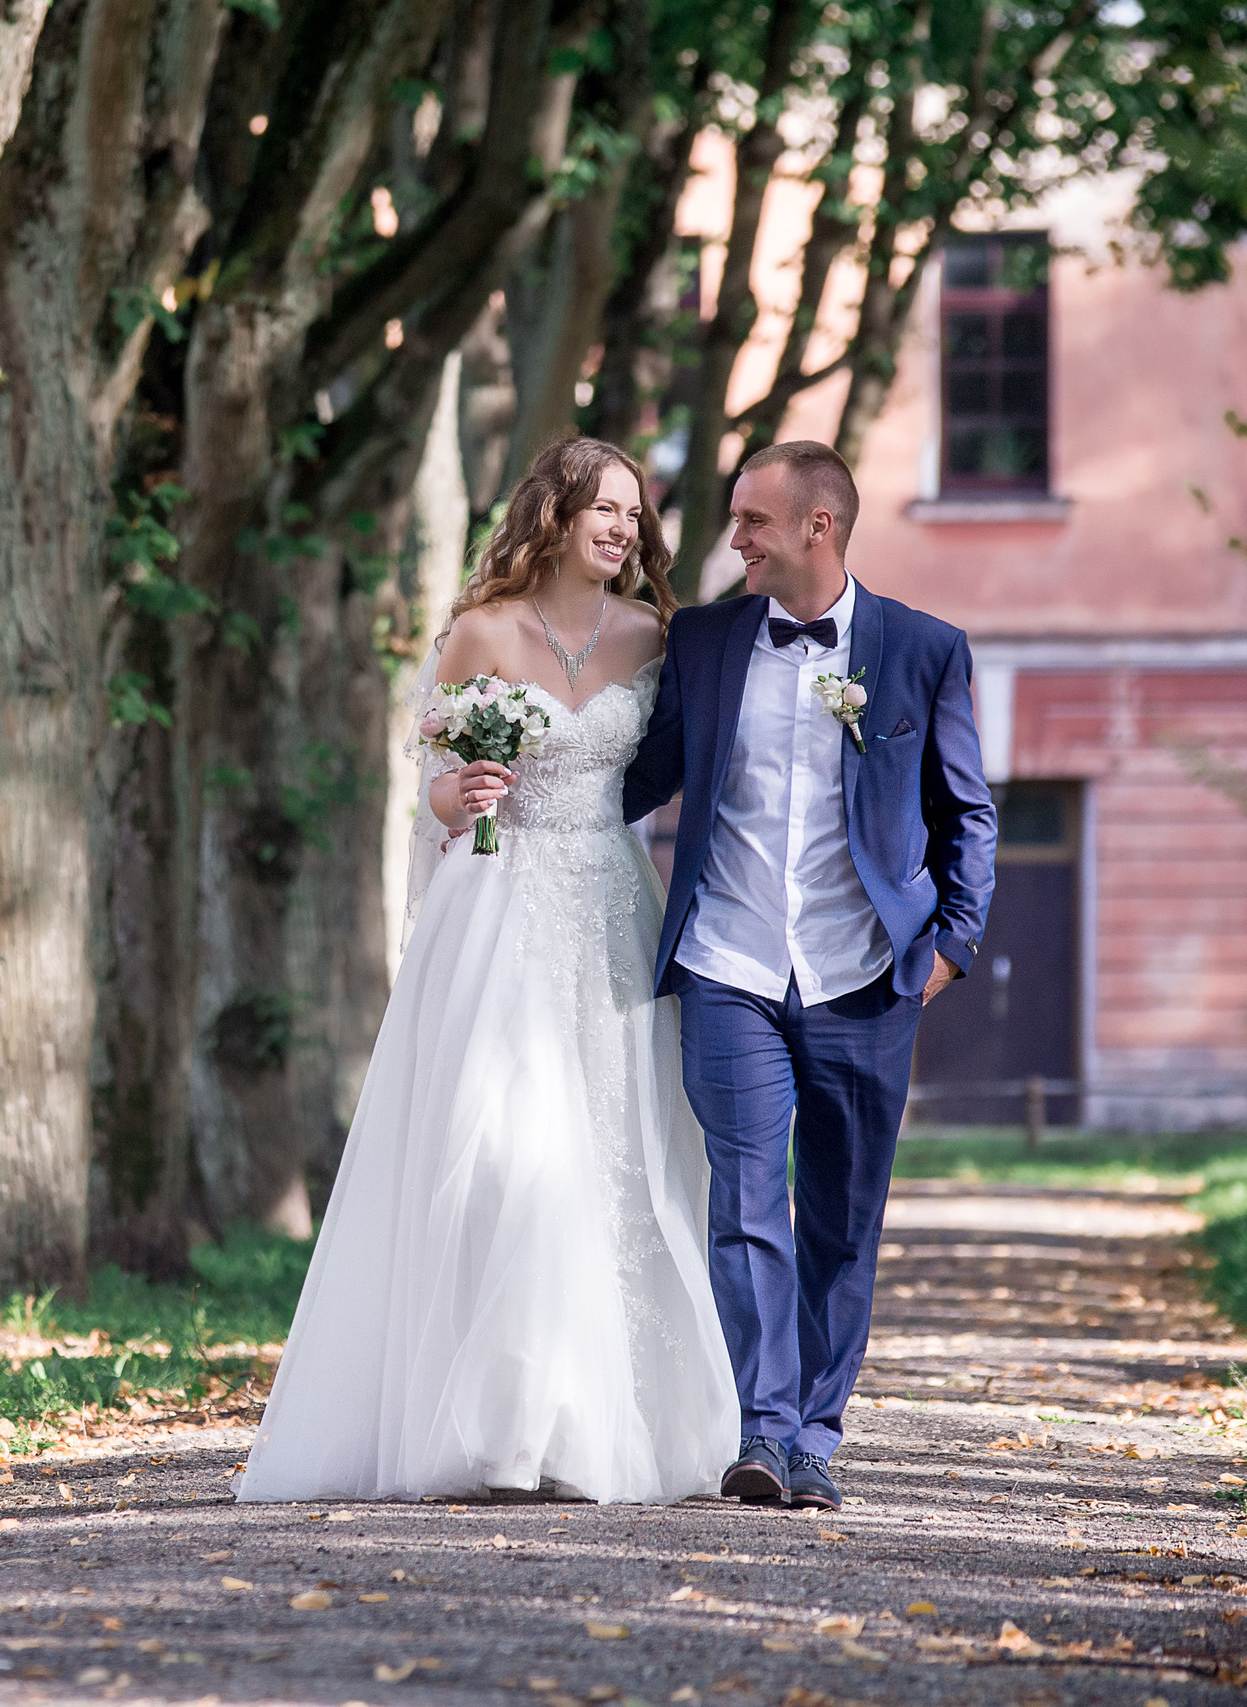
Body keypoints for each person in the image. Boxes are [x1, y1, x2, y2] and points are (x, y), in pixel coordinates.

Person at [236, 438, 738, 1505]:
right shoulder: (481, 632)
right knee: (503, 1154)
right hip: (498, 910)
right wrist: (454, 797)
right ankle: (505, 1426)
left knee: (616, 1151)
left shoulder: (660, 639)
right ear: (550, 515)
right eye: (601, 509)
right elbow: (429, 781)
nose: (620, 529)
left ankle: (613, 1422)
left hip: (609, 907)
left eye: (632, 515)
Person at [621, 440, 998, 1513]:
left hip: (865, 975)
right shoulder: (700, 641)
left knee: (840, 1217)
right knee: (745, 1198)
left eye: (751, 522)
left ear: (816, 528)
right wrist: (519, 770)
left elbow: (965, 813)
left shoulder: (923, 650)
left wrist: (950, 946)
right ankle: (765, 1431)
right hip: (727, 961)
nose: (732, 539)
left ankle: (818, 1437)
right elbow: (639, 773)